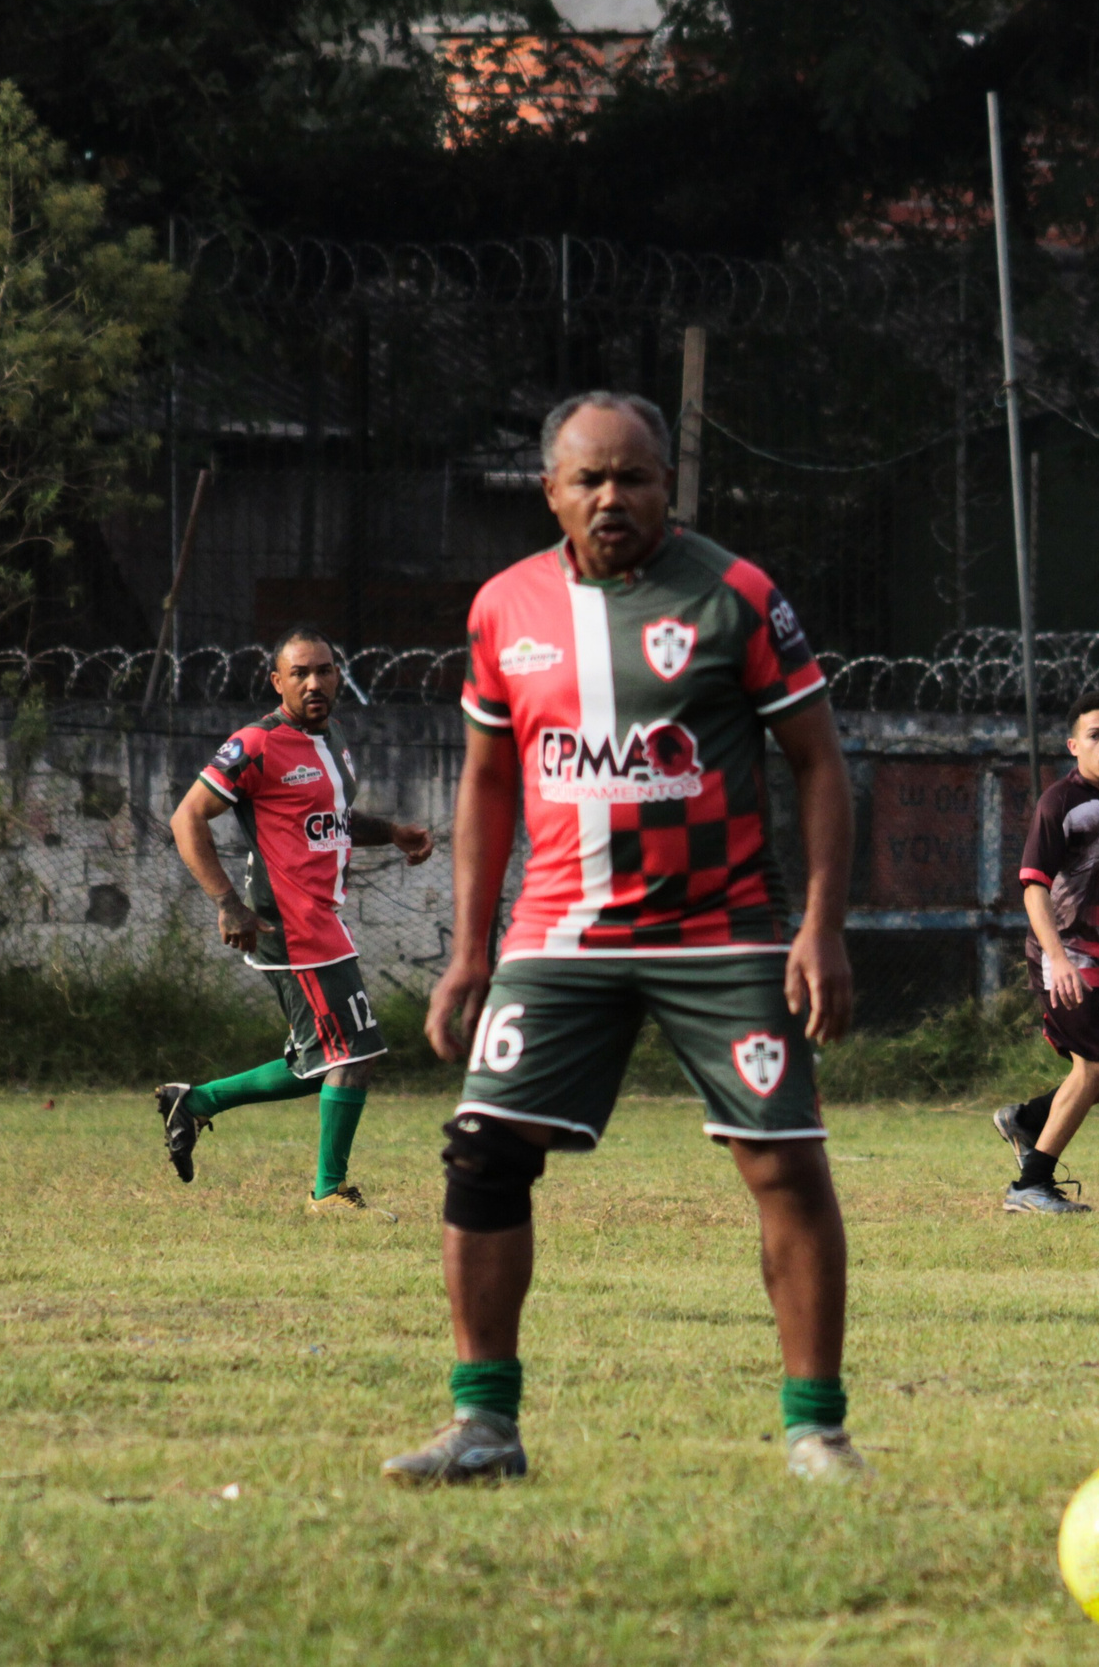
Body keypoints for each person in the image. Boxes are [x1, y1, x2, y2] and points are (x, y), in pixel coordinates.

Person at [382, 389, 864, 1487]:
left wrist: (821, 926)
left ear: (666, 486)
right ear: (549, 490)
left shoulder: (735, 594)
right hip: (558, 931)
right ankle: (483, 1427)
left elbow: (820, 764)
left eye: (633, 476)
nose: (612, 496)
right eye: (588, 478)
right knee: (482, 1151)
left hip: (723, 928)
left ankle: (815, 1430)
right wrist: (468, 951)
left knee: (782, 1160)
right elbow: (490, 781)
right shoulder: (503, 606)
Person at [159, 627, 434, 1212]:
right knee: (355, 1054)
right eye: (301, 672)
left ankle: (199, 1100)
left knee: (324, 1060)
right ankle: (328, 1194)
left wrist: (392, 833)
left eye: (325, 670)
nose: (315, 682)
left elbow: (332, 818)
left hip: (321, 920)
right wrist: (226, 901)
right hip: (288, 925)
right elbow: (188, 818)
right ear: (277, 680)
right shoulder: (255, 744)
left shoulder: (331, 737)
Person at [992, 691, 1099, 1214]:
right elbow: (1033, 888)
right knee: (1093, 1063)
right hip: (1062, 957)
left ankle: (1029, 1118)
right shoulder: (1058, 803)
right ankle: (1030, 1187)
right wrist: (1058, 959)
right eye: (1095, 735)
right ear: (1074, 746)